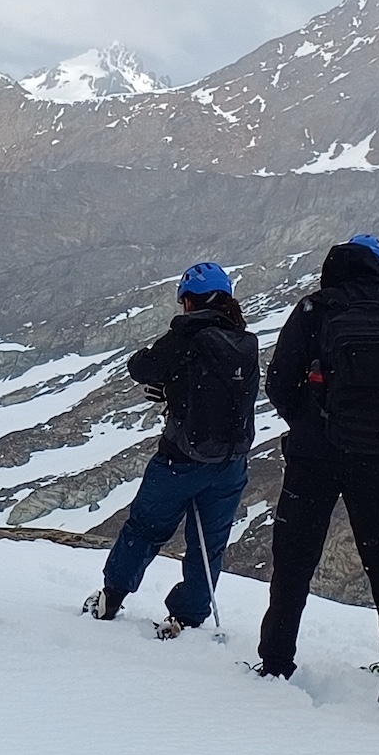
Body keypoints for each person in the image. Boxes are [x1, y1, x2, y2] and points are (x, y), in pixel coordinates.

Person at [253, 235, 379, 680]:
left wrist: (311, 422)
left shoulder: (314, 310)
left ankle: (276, 663)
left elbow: (279, 382)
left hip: (313, 457)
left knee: (294, 560)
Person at [84, 262, 260, 636]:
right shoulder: (245, 342)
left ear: (190, 300)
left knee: (145, 529)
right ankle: (187, 616)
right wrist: (177, 389)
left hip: (181, 460)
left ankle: (111, 598)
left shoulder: (187, 335)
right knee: (208, 544)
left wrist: (168, 383)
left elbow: (143, 368)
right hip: (231, 463)